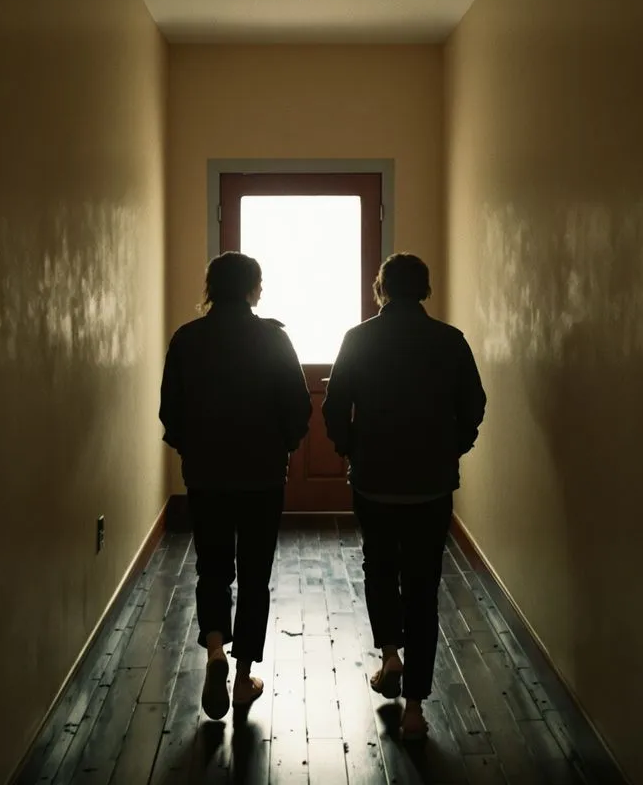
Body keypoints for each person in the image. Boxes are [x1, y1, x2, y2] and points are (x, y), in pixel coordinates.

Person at [321, 253, 487, 740]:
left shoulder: (359, 338)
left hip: (374, 479)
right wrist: (452, 447)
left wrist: (351, 447)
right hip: (431, 485)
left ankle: (389, 656)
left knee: (379, 567)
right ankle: (414, 707)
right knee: (423, 586)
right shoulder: (449, 341)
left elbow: (334, 406)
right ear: (426, 290)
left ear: (381, 288)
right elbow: (473, 405)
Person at [159, 251, 312, 721]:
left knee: (212, 569)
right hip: (262, 476)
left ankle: (212, 652)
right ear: (252, 289)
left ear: (211, 287)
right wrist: (281, 446)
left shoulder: (187, 339)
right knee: (254, 575)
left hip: (205, 476)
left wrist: (192, 451)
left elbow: (171, 412)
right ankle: (243, 676)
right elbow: (299, 407)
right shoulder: (273, 338)